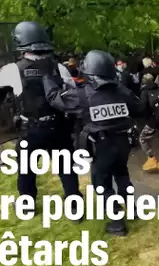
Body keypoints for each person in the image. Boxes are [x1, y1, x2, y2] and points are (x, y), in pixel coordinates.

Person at [42, 50, 141, 236]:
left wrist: (47, 77)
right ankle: (133, 210)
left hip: (101, 146)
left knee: (102, 184)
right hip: (123, 143)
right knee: (122, 175)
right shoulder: (122, 91)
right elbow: (138, 107)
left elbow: (55, 99)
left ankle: (117, 223)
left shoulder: (82, 95)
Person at [0, 21, 82, 216]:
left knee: (26, 170)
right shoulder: (59, 68)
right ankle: (74, 206)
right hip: (58, 127)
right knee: (66, 168)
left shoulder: (13, 69)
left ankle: (27, 205)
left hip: (31, 129)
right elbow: (72, 92)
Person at [139, 71, 159, 173]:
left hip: (153, 121)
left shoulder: (144, 92)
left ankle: (151, 158)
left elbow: (143, 109)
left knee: (143, 138)